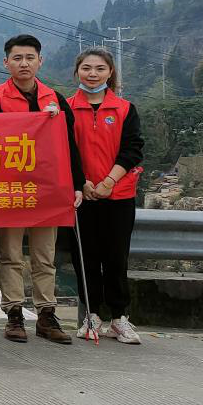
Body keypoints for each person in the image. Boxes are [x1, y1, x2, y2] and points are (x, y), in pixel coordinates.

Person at [0, 34, 84, 345]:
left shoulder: (56, 99)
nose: (24, 63)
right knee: (10, 253)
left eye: (29, 58)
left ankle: (47, 315)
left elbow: (70, 145)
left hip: (48, 190)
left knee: (44, 255)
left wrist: (77, 184)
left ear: (40, 61)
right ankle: (13, 314)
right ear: (6, 62)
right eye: (17, 58)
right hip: (10, 188)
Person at [69, 47, 144, 345]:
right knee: (85, 258)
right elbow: (63, 149)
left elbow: (133, 149)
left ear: (110, 72)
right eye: (86, 68)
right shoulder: (66, 108)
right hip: (81, 196)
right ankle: (91, 316)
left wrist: (110, 181)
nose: (92, 74)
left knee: (116, 257)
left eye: (100, 68)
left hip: (119, 195)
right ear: (77, 71)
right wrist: (82, 182)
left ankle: (119, 318)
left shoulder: (125, 108)